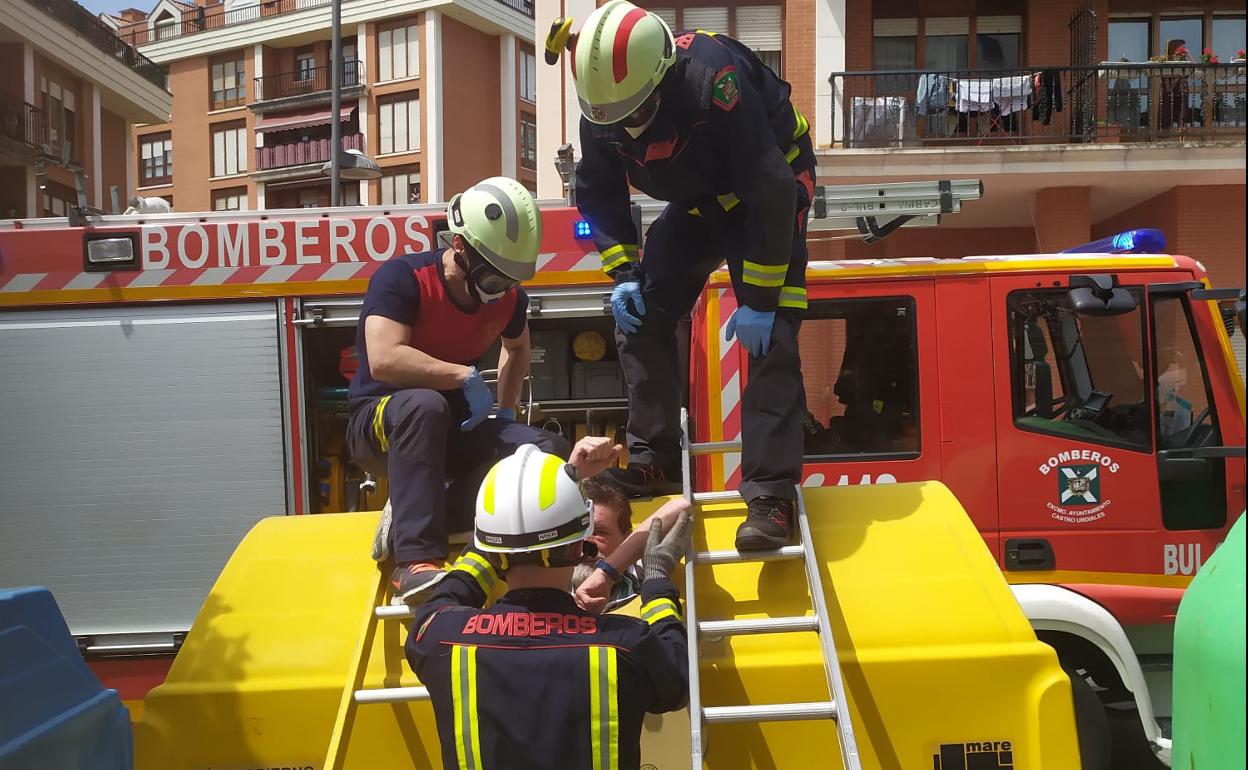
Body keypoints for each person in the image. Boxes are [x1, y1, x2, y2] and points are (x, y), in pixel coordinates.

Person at [565, 0, 816, 550]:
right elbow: (600, 193)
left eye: (637, 115)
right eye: (615, 121)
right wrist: (625, 272)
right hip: (701, 200)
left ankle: (770, 497)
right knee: (642, 314)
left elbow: (768, 186)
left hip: (768, 188)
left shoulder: (713, 81)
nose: (628, 130)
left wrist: (763, 299)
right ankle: (652, 459)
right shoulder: (604, 109)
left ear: (664, 78)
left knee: (772, 336)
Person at [346, 177, 570, 603]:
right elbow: (384, 358)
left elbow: (518, 347)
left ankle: (435, 515)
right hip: (382, 422)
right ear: (462, 248)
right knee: (425, 407)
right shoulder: (404, 279)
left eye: (508, 281)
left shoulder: (508, 300)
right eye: (492, 280)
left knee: (542, 449)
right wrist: (461, 377)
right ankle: (414, 562)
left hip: (450, 426)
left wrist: (505, 414)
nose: (500, 292)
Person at [407, 437, 692, 770]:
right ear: (577, 547)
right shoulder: (625, 644)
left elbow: (456, 586)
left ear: (492, 550)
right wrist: (656, 583)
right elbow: (675, 680)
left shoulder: (438, 635)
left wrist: (542, 500)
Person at [573, 475, 690, 613]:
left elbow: (682, 507)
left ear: (626, 538)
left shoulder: (642, 570)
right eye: (577, 532)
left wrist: (606, 572)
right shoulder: (549, 578)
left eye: (598, 532)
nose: (585, 542)